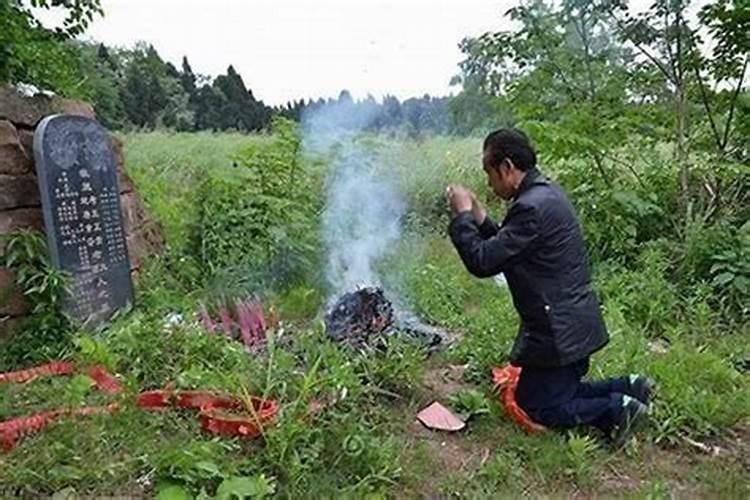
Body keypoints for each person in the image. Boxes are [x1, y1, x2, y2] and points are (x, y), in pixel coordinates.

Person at [446, 128, 653, 447]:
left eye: (489, 173)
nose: (488, 183)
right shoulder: (545, 194)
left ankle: (617, 409)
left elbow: (483, 261)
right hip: (570, 321)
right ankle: (631, 387)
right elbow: (509, 244)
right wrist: (478, 215)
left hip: (557, 330)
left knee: (539, 406)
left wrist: (461, 217)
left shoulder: (531, 207)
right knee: (557, 393)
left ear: (507, 167)